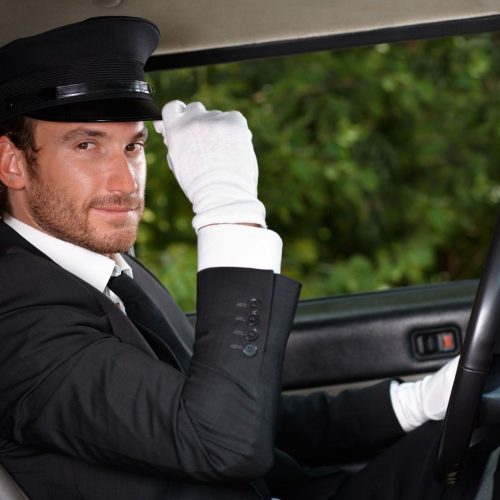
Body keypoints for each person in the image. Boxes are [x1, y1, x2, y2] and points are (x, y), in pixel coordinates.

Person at [0, 16, 464, 500]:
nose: (125, 183)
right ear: (12, 163)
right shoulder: (14, 315)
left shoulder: (111, 271)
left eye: (133, 146)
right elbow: (222, 441)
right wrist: (229, 210)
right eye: (86, 145)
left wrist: (415, 404)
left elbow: (240, 409)